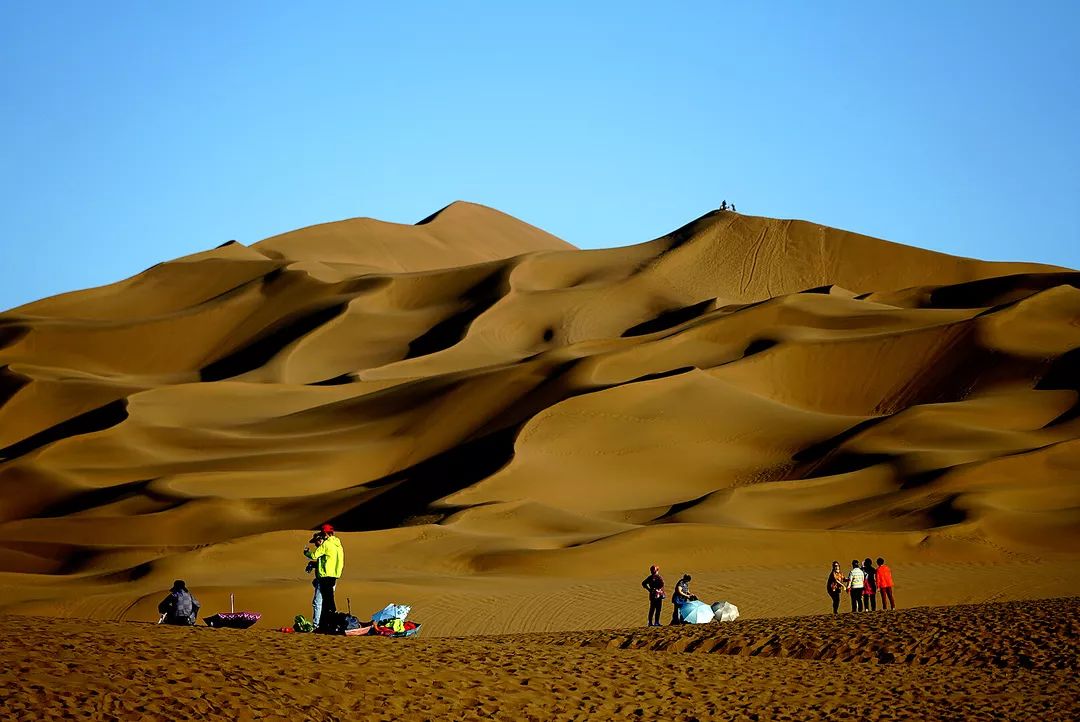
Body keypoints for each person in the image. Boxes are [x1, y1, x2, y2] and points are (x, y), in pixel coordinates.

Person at [304, 524, 344, 622]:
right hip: (334, 575)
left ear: (325, 533)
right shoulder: (338, 545)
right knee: (329, 599)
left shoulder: (327, 544)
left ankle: (320, 623)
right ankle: (327, 621)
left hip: (325, 576)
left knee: (323, 601)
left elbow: (314, 555)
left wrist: (306, 553)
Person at [305, 531, 326, 627]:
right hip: (324, 579)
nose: (315, 545)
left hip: (324, 579)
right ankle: (321, 623)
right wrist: (312, 564)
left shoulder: (323, 549)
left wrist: (307, 553)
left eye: (316, 542)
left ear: (320, 540)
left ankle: (317, 624)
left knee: (317, 602)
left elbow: (314, 556)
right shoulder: (327, 549)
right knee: (324, 602)